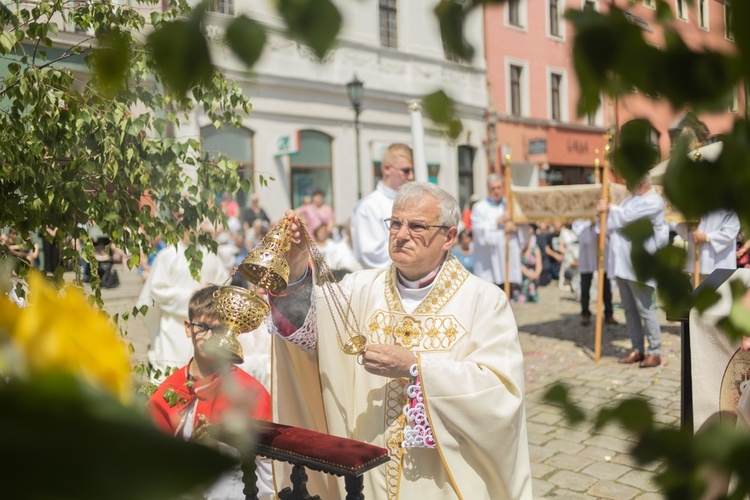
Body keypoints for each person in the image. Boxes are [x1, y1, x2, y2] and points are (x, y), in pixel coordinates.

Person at [266, 182, 532, 499]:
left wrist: (418, 368)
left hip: (442, 478)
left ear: (449, 237)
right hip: (369, 471)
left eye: (417, 226)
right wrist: (295, 267)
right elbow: (306, 331)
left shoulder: (484, 301)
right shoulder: (359, 288)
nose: (401, 234)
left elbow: (500, 393)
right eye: (395, 223)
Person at [146, 285, 274, 499]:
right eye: (203, 326)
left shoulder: (251, 393)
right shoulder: (169, 391)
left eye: (219, 329)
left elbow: (267, 473)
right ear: (188, 327)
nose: (210, 336)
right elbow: (149, 463)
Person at [597, 173, 669, 368]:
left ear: (642, 180)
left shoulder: (653, 201)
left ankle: (654, 351)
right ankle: (637, 348)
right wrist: (602, 215)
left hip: (639, 265)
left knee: (645, 309)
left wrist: (610, 209)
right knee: (629, 310)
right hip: (622, 263)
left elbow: (627, 219)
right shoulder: (630, 199)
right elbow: (613, 224)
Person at [137, 230, 229, 380]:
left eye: (195, 224)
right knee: (171, 374)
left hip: (207, 327)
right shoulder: (167, 255)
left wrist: (212, 290)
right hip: (174, 327)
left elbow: (224, 282)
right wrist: (194, 295)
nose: (191, 230)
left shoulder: (209, 253)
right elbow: (158, 290)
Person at [351, 143, 414, 269]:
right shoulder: (369, 206)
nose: (411, 176)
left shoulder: (413, 202)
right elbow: (371, 256)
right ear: (387, 169)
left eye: (413, 171)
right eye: (406, 171)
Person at [471, 174, 525, 289]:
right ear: (488, 189)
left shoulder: (510, 206)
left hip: (508, 261)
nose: (496, 191)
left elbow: (524, 230)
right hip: (488, 264)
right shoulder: (480, 207)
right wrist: (497, 221)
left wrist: (514, 228)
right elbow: (479, 233)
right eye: (493, 188)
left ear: (503, 188)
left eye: (499, 187)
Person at [674, 209, 741, 281]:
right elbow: (679, 223)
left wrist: (706, 237)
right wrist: (689, 230)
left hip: (721, 263)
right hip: (697, 263)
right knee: (698, 291)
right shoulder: (695, 204)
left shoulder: (728, 207)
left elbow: (731, 231)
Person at [572, 219, 616, 326]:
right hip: (587, 256)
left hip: (602, 254)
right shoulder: (579, 221)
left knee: (606, 287)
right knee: (585, 286)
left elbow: (610, 231)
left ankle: (608, 313)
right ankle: (585, 313)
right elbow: (581, 237)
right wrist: (591, 225)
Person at [515, 236, 542, 303]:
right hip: (520, 274)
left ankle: (531, 294)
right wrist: (528, 274)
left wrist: (536, 273)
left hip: (532, 275)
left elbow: (539, 264)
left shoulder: (535, 248)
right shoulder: (517, 247)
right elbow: (517, 263)